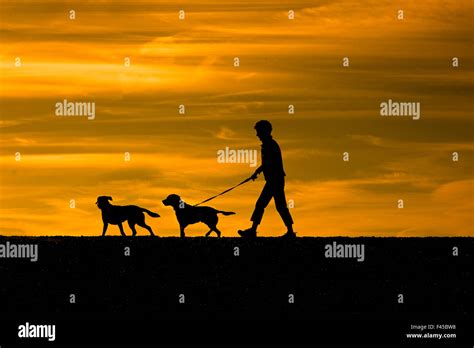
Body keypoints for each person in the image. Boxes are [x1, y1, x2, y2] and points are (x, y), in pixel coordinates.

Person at [238, 120, 295, 238]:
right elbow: (267, 163)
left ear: (264, 131)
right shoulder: (268, 144)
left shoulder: (270, 145)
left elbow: (269, 163)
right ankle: (289, 231)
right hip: (274, 180)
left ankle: (254, 231)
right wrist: (257, 172)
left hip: (275, 180)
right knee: (275, 205)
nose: (257, 134)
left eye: (258, 132)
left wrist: (257, 171)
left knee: (265, 204)